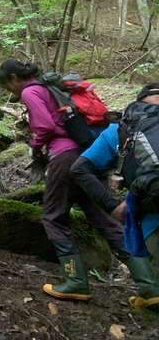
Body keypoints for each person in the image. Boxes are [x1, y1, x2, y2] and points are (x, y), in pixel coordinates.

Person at [0, 59, 126, 301]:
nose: (10, 92)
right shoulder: (51, 87)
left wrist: (35, 146)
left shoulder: (30, 91)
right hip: (88, 156)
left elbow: (45, 127)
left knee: (53, 218)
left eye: (7, 86)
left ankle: (75, 280)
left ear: (13, 78)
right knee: (102, 217)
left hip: (64, 157)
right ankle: (149, 284)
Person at [70, 83, 159, 309]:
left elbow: (79, 169)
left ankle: (150, 291)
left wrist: (112, 206)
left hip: (150, 210)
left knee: (132, 224)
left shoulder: (119, 130)